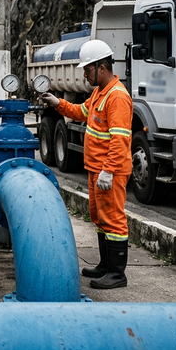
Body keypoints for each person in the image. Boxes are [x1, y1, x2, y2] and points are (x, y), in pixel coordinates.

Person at [41, 39, 132, 289]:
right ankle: (106, 265)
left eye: (88, 69)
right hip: (97, 169)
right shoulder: (99, 93)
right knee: (100, 217)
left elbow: (119, 139)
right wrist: (57, 103)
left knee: (113, 219)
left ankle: (117, 273)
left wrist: (108, 171)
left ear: (102, 67)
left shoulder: (117, 97)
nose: (84, 74)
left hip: (108, 172)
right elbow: (80, 112)